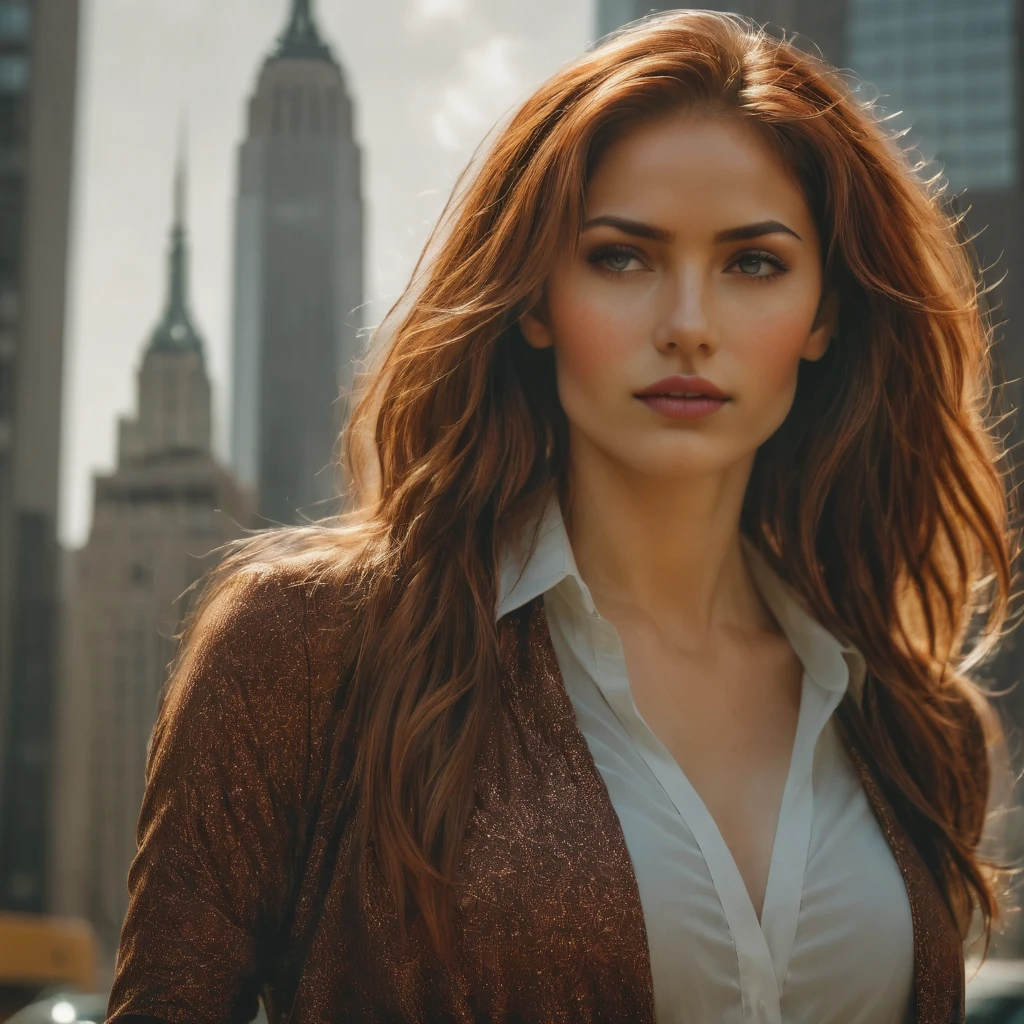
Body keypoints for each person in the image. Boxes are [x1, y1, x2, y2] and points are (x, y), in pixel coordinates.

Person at [106, 9, 1018, 1024]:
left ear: (825, 312)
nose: (687, 324)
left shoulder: (914, 724)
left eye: (752, 264)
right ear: (536, 297)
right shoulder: (310, 649)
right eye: (621, 258)